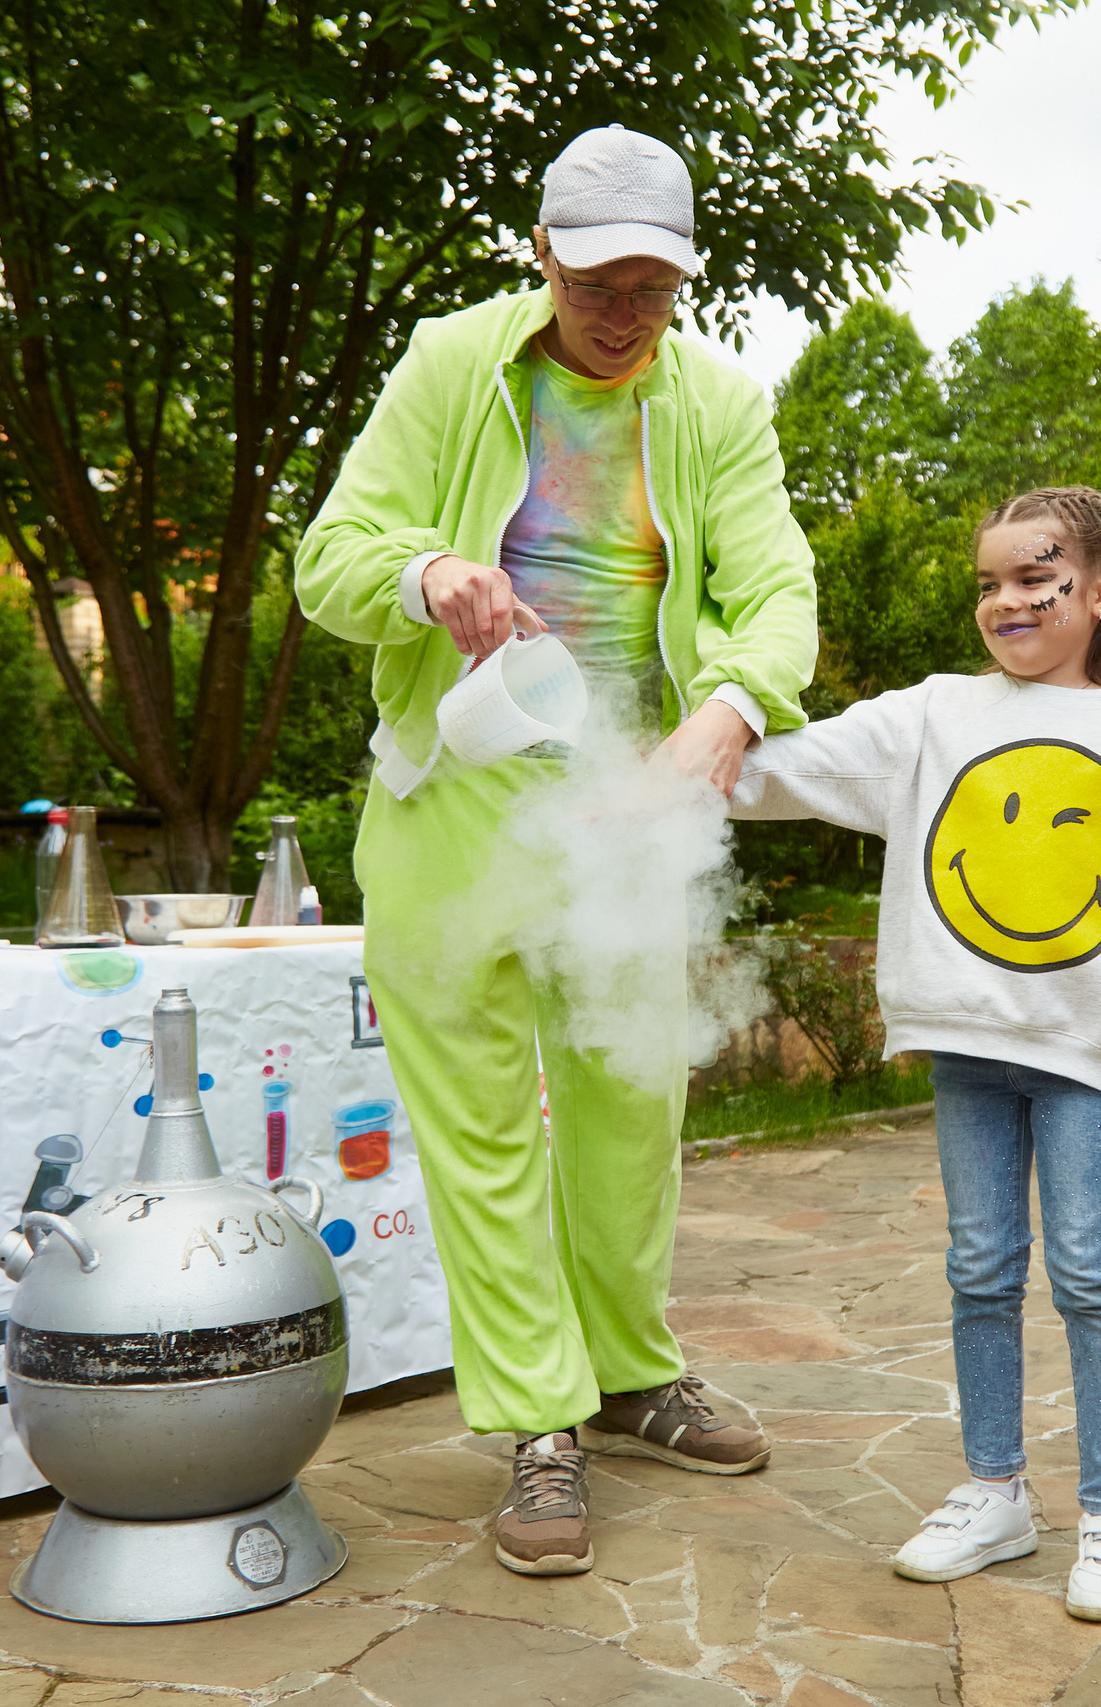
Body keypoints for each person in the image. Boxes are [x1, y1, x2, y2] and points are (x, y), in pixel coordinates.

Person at [294, 126, 818, 1577]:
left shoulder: (715, 400)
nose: (625, 308)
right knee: (479, 1129)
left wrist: (724, 707)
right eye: (600, 277)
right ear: (544, 255)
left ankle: (633, 1370)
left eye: (655, 282)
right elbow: (327, 558)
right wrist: (428, 570)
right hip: (454, 798)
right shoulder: (454, 361)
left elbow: (778, 590)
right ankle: (539, 1423)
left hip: (625, 799)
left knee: (629, 1104)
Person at [726, 488, 1101, 1622]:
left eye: (1032, 578)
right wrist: (698, 751)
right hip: (967, 1048)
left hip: (1088, 1052)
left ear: (1098, 593)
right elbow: (794, 768)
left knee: (1090, 1274)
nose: (1005, 601)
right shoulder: (936, 713)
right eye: (988, 584)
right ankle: (994, 1490)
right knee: (978, 1272)